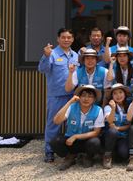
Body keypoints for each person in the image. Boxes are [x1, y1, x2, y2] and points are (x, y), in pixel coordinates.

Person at [38, 28, 79, 163]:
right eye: (63, 37)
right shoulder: (52, 54)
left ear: (72, 39)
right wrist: (46, 56)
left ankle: (69, 152)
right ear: (58, 39)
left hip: (72, 96)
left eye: (69, 37)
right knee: (53, 124)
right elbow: (42, 69)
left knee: (71, 125)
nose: (66, 40)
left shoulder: (76, 55)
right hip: (56, 96)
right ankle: (49, 152)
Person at [50, 85, 104, 171]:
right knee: (55, 141)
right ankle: (70, 157)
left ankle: (88, 157)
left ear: (94, 99)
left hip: (86, 141)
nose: (86, 99)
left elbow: (96, 132)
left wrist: (76, 136)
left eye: (90, 96)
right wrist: (69, 103)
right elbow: (56, 121)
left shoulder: (98, 110)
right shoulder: (72, 107)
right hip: (70, 142)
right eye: (84, 95)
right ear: (79, 97)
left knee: (95, 142)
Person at [102, 83, 131, 169]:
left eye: (120, 92)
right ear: (111, 96)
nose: (118, 95)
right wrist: (113, 108)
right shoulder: (108, 107)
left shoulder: (128, 106)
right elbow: (110, 122)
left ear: (124, 94)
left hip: (122, 136)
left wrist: (118, 128)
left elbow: (129, 125)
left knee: (124, 154)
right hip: (110, 135)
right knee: (113, 131)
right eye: (115, 93)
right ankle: (107, 155)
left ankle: (115, 153)